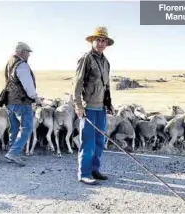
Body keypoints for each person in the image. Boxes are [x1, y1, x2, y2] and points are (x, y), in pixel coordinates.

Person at [73, 26, 115, 185]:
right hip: (89, 106)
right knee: (88, 141)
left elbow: (107, 84)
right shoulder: (86, 59)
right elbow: (77, 84)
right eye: (98, 40)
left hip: (101, 108)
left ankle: (94, 170)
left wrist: (109, 102)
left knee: (99, 141)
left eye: (104, 40)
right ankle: (84, 173)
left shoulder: (106, 62)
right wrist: (78, 105)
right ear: (92, 41)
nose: (101, 43)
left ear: (107, 44)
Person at [4, 42, 41, 166]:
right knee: (27, 128)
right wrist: (35, 97)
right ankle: (13, 153)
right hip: (21, 102)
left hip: (9, 101)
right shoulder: (22, 65)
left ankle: (12, 153)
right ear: (22, 52)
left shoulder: (10, 62)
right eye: (28, 53)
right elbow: (28, 85)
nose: (29, 55)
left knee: (14, 128)